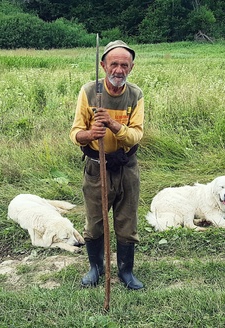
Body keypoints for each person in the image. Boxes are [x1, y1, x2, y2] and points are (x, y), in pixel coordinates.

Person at [69, 40, 144, 290]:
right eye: (114, 64)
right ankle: (96, 268)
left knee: (126, 222)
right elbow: (75, 133)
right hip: (96, 167)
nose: (119, 70)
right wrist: (90, 135)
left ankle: (126, 272)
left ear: (131, 68)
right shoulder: (89, 92)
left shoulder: (135, 95)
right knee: (94, 222)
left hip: (126, 168)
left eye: (125, 65)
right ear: (103, 66)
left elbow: (135, 136)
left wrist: (113, 125)